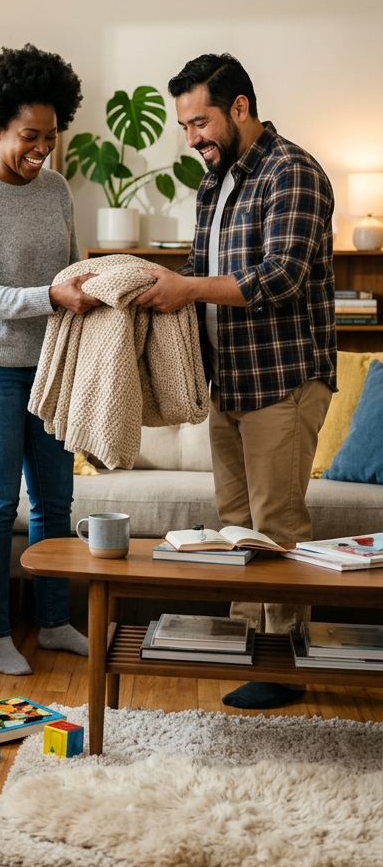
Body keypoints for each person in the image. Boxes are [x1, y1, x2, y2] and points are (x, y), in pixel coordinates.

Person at [134, 53, 335, 709]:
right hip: (231, 381)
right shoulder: (213, 185)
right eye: (185, 127)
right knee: (234, 525)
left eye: (201, 122)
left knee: (275, 525)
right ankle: (256, 649)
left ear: (240, 108)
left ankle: (282, 665)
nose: (192, 138)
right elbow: (199, 266)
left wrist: (187, 285)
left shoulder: (292, 172)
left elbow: (281, 276)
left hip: (283, 379)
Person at [0, 43, 101, 676]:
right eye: (28, 138)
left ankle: (56, 621)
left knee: (57, 502)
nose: (42, 150)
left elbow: (72, 259)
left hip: (50, 364)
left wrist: (100, 281)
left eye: (51, 137)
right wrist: (51, 295)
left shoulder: (57, 188)